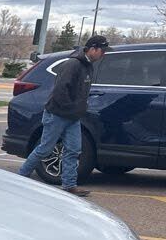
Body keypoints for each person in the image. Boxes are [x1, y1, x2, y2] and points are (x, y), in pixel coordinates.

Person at [18, 35, 110, 197]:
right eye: (102, 51)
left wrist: (78, 110)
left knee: (73, 150)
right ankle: (20, 177)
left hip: (73, 117)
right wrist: (72, 109)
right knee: (45, 149)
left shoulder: (88, 66)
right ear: (93, 49)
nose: (103, 55)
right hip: (57, 115)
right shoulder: (73, 64)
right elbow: (61, 91)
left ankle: (69, 184)